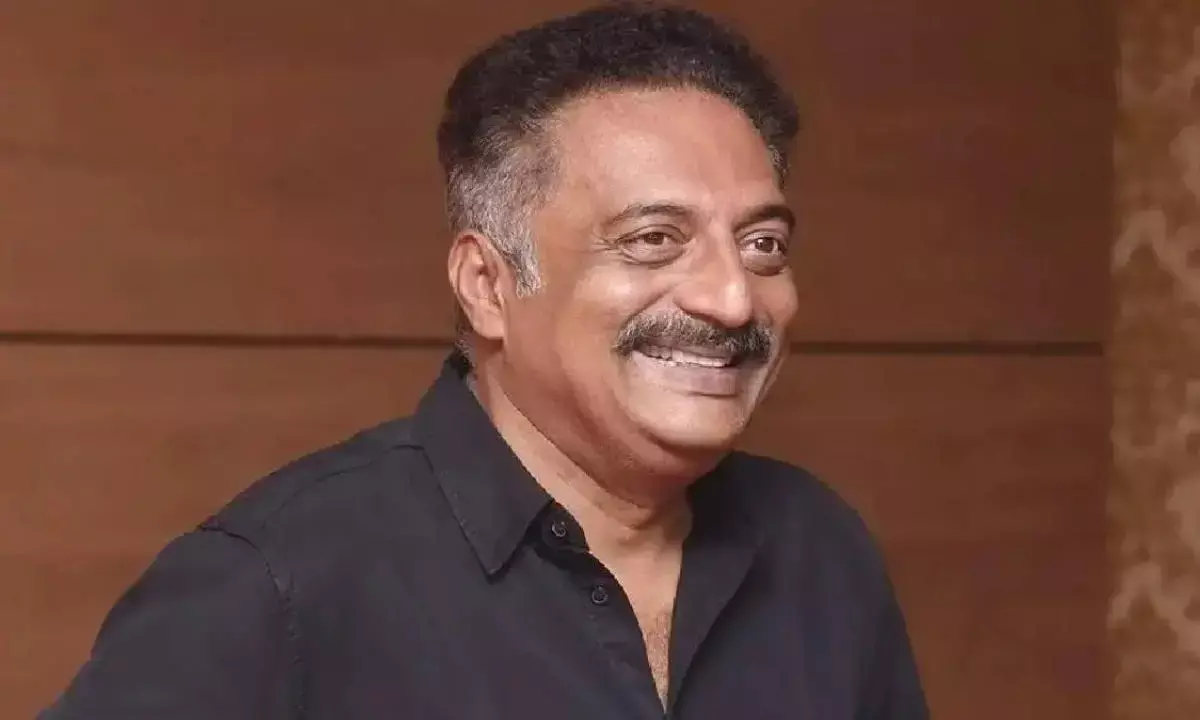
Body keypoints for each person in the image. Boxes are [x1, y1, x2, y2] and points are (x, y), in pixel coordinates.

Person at [41, 3, 928, 718]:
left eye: (763, 245)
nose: (733, 300)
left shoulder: (818, 553)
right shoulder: (280, 581)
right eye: (654, 240)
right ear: (488, 284)